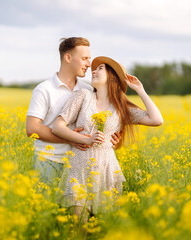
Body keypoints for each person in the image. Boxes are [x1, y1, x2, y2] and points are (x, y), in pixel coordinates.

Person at [52, 56, 163, 223]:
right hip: (79, 169)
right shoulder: (83, 96)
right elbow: (58, 126)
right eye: (94, 69)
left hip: (107, 170)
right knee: (78, 228)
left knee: (103, 229)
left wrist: (140, 90)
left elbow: (157, 120)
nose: (94, 71)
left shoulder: (121, 107)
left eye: (100, 68)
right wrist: (86, 139)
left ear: (112, 77)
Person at [26, 38, 122, 186]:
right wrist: (71, 139)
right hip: (48, 161)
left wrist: (111, 140)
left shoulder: (89, 90)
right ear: (68, 58)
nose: (89, 64)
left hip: (80, 165)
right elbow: (32, 128)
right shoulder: (44, 89)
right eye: (84, 59)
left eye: (89, 59)